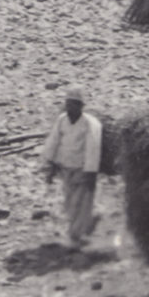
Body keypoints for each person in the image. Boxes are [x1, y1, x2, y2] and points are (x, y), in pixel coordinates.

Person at [39, 90, 103, 248]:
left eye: (73, 104)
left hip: (83, 168)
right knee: (69, 202)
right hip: (66, 166)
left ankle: (76, 237)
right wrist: (50, 163)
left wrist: (90, 171)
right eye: (67, 103)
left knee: (80, 202)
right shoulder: (62, 120)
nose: (69, 107)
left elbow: (92, 147)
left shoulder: (90, 123)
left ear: (80, 106)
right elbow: (54, 140)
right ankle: (91, 221)